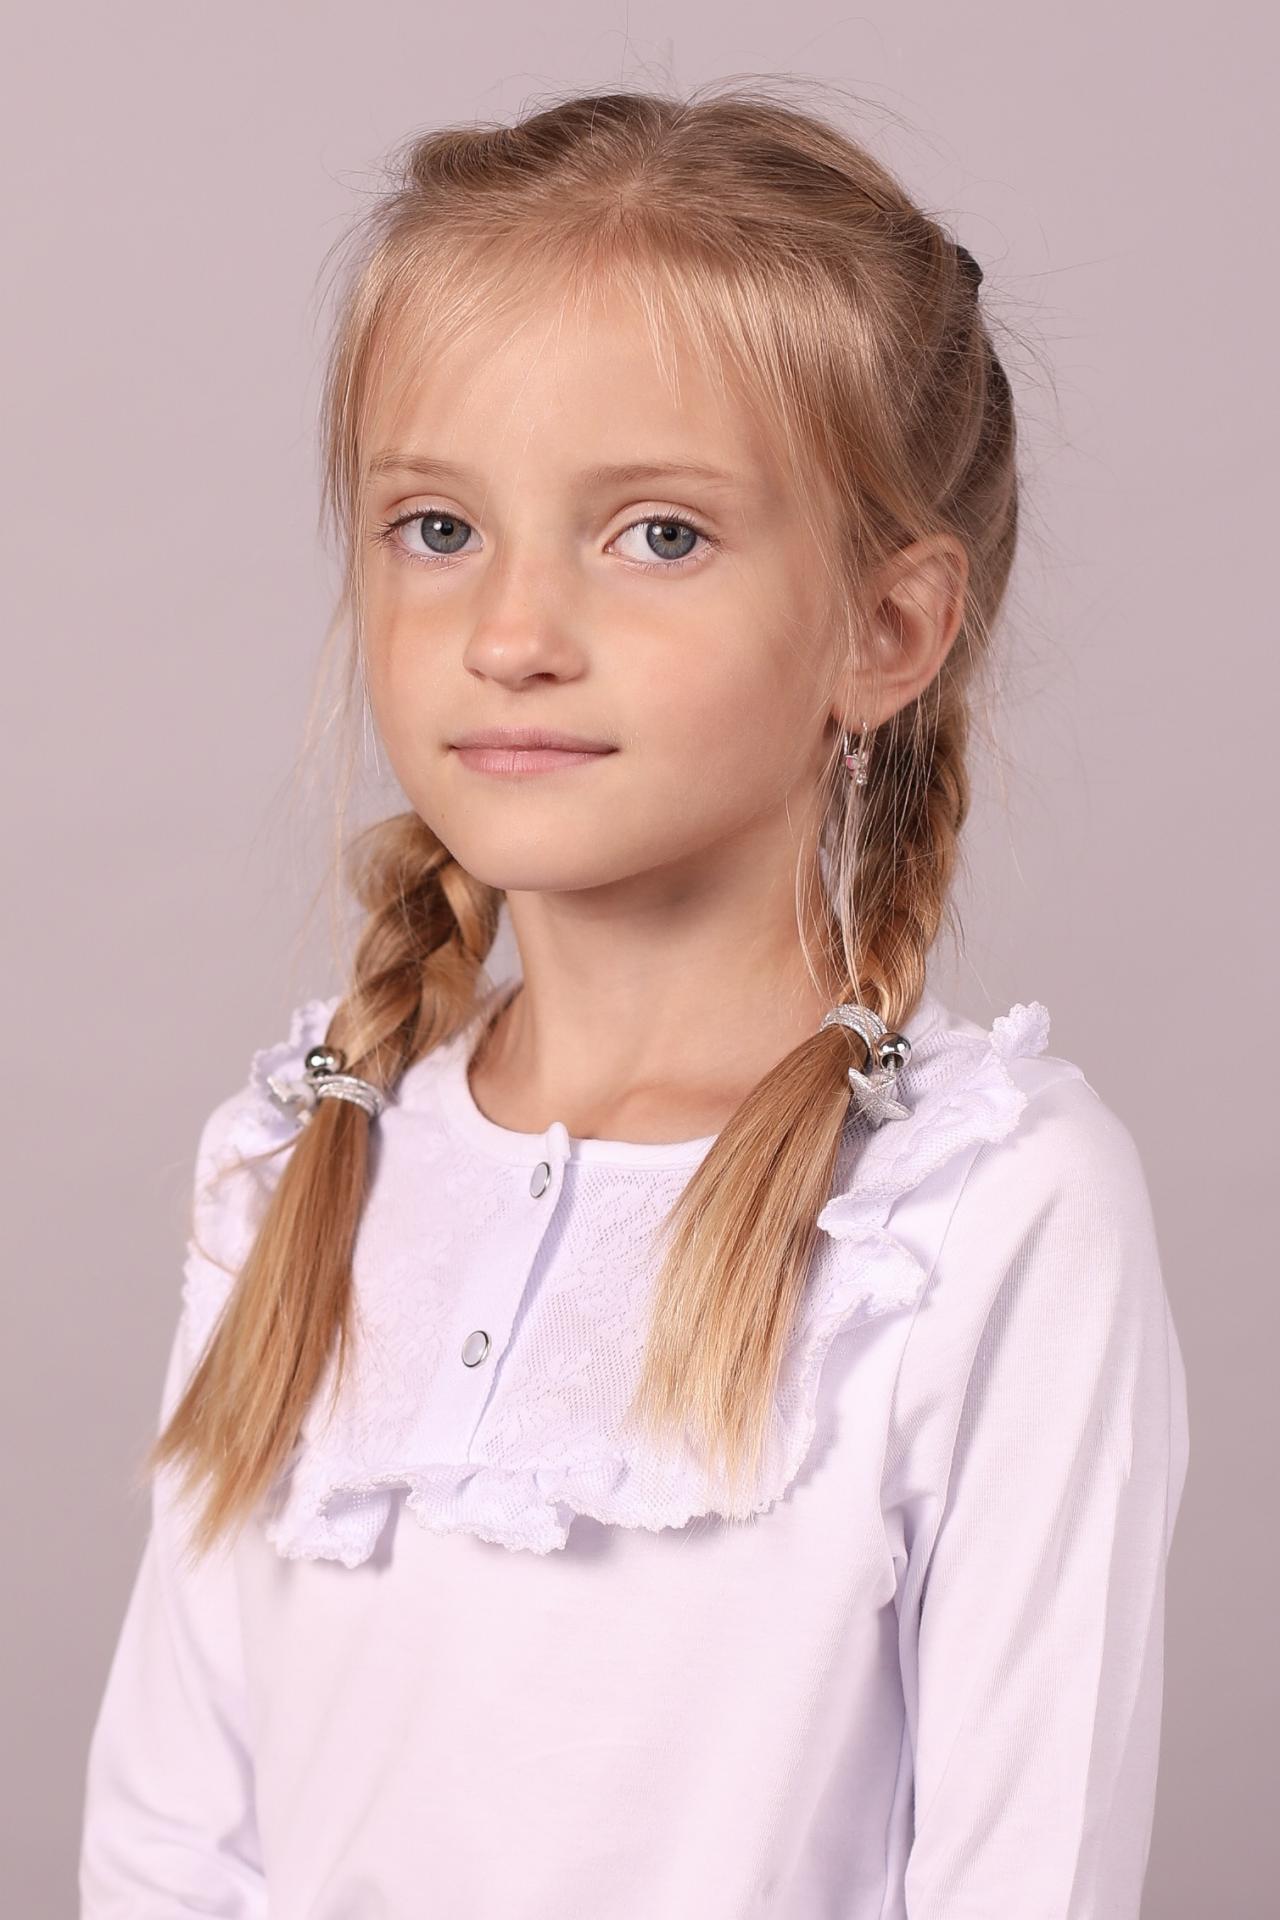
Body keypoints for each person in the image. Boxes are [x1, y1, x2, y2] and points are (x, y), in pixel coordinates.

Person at [78, 81, 1190, 1919]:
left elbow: (1026, 1869)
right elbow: (168, 1843)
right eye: (438, 527)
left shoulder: (979, 1217)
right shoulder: (290, 1168)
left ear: (887, 632)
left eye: (657, 534)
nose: (511, 634)